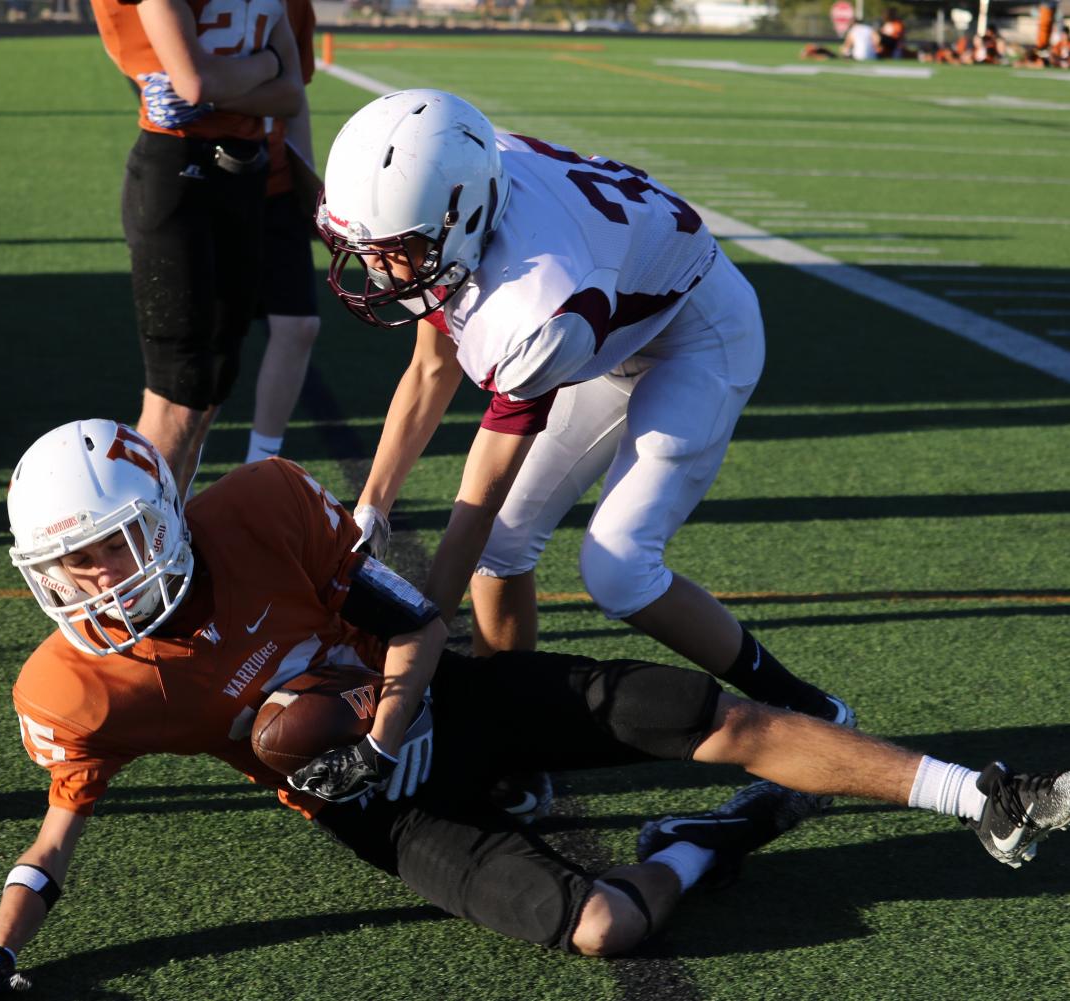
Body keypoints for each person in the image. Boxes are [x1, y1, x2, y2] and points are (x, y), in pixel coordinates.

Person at [0, 419, 1069, 999]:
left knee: (695, 708)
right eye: (68, 565)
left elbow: (416, 619)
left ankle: (983, 793)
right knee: (604, 926)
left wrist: (380, 725)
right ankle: (707, 835)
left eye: (111, 547)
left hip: (431, 704)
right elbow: (55, 833)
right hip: (371, 809)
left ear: (163, 515)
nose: (95, 583)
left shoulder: (258, 506)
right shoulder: (71, 683)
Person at [316, 89, 853, 817]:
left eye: (396, 248)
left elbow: (483, 489)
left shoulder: (534, 303)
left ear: (461, 217)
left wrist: (423, 635)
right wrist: (371, 505)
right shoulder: (463, 181)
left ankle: (808, 707)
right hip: (607, 321)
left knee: (617, 567)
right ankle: (522, 738)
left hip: (692, 332)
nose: (379, 268)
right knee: (498, 556)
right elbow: (430, 366)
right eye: (370, 247)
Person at [88, 0, 304, 494]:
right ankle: (138, 549)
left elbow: (290, 96)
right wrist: (261, 68)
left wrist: (229, 84)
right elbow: (195, 85)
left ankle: (172, 525)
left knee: (216, 376)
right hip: (176, 169)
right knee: (178, 385)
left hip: (242, 179)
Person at [245, 0, 321, 465]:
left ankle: (260, 463)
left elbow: (296, 99)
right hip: (204, 181)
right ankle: (177, 478)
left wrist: (310, 185)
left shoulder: (294, 6)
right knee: (210, 350)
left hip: (274, 180)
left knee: (299, 325)